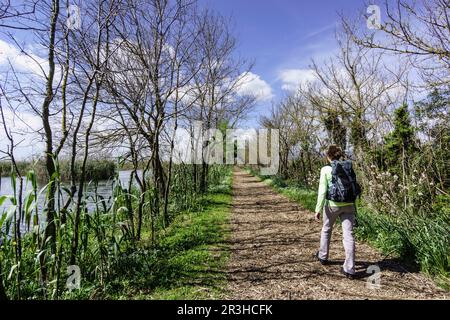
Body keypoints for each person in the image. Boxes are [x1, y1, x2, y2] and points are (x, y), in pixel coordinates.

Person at [314, 145, 356, 279]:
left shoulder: (325, 169)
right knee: (348, 235)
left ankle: (323, 256)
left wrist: (318, 209)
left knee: (326, 229)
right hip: (349, 205)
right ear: (339, 155)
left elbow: (322, 191)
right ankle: (350, 268)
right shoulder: (348, 167)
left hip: (332, 205)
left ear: (328, 156)